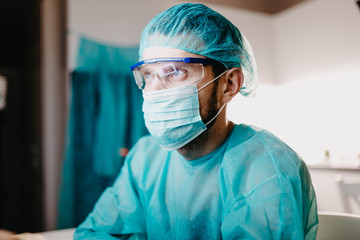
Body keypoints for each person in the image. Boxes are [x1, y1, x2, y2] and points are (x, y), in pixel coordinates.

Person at [74, 3, 318, 239]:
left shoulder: (265, 170)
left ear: (229, 84)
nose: (155, 90)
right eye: (148, 75)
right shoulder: (145, 158)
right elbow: (95, 233)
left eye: (176, 72)